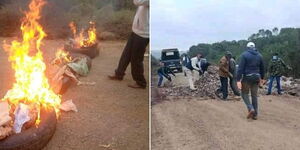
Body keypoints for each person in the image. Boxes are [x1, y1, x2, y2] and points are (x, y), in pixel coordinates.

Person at [108, 0, 149, 89]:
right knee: (126, 54)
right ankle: (119, 74)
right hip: (136, 30)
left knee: (136, 59)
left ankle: (140, 82)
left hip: (143, 34)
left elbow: (138, 2)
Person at [237, 42, 265, 120]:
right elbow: (262, 69)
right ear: (254, 47)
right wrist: (262, 79)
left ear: (247, 47)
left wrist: (238, 79)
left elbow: (240, 68)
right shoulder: (260, 55)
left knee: (244, 94)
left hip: (247, 78)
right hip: (256, 77)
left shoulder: (244, 55)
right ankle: (255, 115)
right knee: (254, 96)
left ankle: (250, 108)